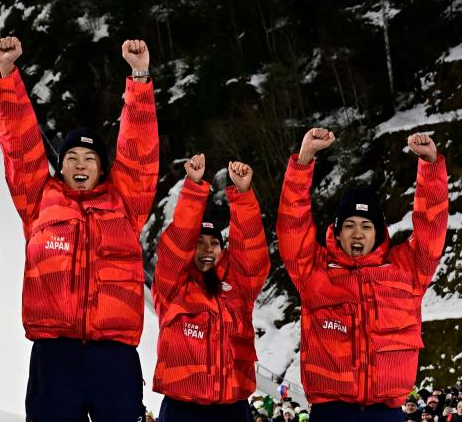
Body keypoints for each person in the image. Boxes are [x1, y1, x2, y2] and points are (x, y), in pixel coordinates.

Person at [0, 36, 158, 421]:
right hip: (55, 354)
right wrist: (7, 74)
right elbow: (19, 144)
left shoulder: (125, 203)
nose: (80, 164)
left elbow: (140, 152)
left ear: (102, 167)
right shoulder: (39, 199)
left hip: (113, 355)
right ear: (61, 165)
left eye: (89, 158)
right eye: (71, 157)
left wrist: (139, 78)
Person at [276, 128, 448, 422]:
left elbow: (431, 226)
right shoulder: (314, 272)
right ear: (338, 232)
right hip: (331, 412)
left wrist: (431, 166)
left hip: (388, 413)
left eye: (366, 226)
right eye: (350, 225)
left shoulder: (407, 269)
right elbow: (293, 226)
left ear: (378, 232)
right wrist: (303, 160)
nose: (358, 233)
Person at [152, 154, 270, 421]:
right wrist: (193, 187)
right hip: (182, 408)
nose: (207, 249)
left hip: (233, 408)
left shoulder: (240, 286)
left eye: (213, 243)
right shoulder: (172, 287)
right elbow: (178, 240)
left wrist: (242, 193)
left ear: (223, 249)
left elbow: (252, 252)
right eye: (199, 243)